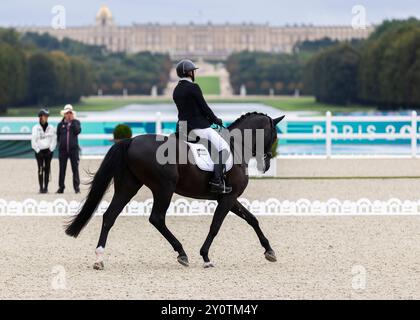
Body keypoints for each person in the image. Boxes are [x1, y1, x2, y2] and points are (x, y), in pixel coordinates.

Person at [172, 59, 232, 194]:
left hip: (182, 128)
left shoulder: (176, 90)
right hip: (197, 127)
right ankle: (217, 181)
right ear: (189, 73)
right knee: (223, 148)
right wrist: (216, 120)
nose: (194, 73)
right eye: (193, 71)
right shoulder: (193, 87)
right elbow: (204, 107)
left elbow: (188, 110)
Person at [56, 104, 81, 194]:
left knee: (75, 169)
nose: (68, 114)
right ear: (64, 114)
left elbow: (78, 131)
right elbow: (58, 136)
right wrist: (61, 145)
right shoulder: (60, 124)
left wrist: (73, 121)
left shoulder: (76, 122)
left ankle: (76, 188)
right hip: (63, 151)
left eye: (70, 113)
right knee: (62, 169)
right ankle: (61, 187)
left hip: (73, 150)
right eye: (67, 113)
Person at [31, 108, 57, 193]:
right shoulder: (35, 128)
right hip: (39, 152)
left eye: (47, 116)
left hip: (48, 151)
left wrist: (51, 150)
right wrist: (38, 151)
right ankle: (41, 188)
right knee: (40, 169)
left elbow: (54, 139)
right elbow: (33, 141)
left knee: (47, 169)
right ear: (40, 117)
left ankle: (46, 188)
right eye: (44, 116)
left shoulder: (51, 127)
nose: (46, 117)